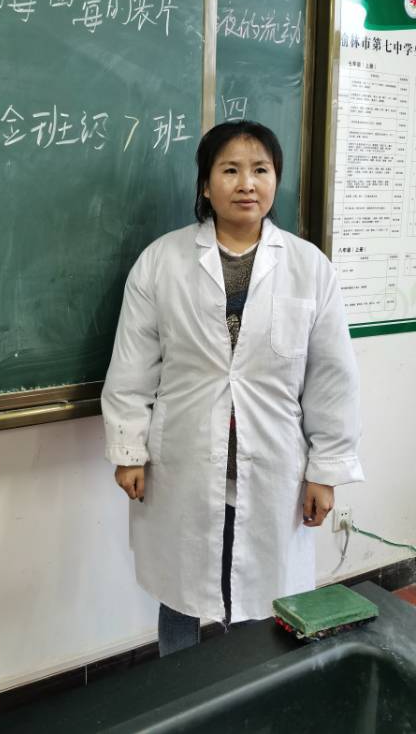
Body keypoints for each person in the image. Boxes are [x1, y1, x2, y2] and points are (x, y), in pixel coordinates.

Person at [101, 120, 363, 657]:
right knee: (181, 593)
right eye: (230, 170)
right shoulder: (162, 261)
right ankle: (180, 691)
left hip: (274, 470)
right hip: (182, 464)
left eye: (260, 170)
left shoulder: (309, 268)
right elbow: (132, 365)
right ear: (205, 184)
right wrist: (129, 450)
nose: (247, 183)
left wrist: (326, 469)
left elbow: (332, 378)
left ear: (275, 180)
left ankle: (251, 692)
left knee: (263, 600)